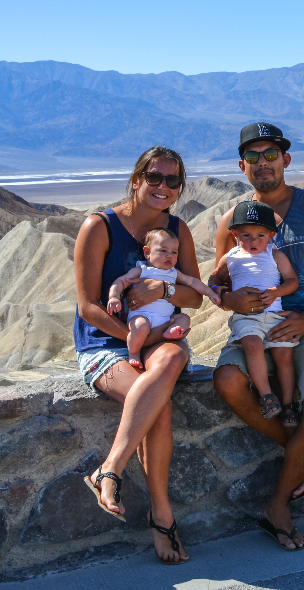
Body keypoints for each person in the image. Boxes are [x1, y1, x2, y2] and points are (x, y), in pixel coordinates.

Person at [213, 122, 304, 551]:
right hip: (258, 324)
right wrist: (231, 301)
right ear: (242, 166)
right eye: (253, 157)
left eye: (270, 155)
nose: (263, 163)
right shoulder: (231, 221)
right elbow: (218, 281)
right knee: (227, 381)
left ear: (286, 160)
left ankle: (277, 507)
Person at [74, 146, 202, 565]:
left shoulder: (177, 231)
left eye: (173, 181)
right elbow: (88, 306)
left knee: (172, 358)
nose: (163, 187)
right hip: (106, 343)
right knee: (157, 408)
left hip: (159, 336)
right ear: (136, 179)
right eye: (155, 177)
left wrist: (163, 291)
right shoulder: (100, 227)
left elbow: (194, 296)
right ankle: (161, 516)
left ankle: (109, 469)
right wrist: (137, 338)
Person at [209, 201, 300, 427]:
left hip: (274, 315)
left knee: (283, 356)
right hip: (246, 317)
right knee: (252, 345)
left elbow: (292, 281)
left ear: (271, 235)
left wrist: (276, 291)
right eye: (246, 235)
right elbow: (215, 278)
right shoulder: (230, 257)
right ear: (234, 234)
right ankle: (267, 396)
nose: (254, 241)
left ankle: (288, 404)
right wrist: (216, 290)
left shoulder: (275, 255)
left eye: (261, 235)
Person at [108, 227, 221, 369]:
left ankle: (170, 332)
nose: (169, 256)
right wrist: (114, 297)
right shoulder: (142, 270)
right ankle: (134, 353)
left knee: (184, 318)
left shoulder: (174, 273)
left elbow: (192, 282)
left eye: (174, 252)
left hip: (166, 319)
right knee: (140, 327)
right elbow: (121, 281)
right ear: (147, 252)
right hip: (142, 315)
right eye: (163, 251)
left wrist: (210, 293)